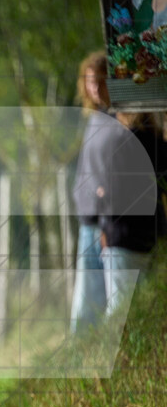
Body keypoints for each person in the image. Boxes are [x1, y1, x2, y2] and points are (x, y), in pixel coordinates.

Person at [99, 111, 167, 316]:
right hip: (153, 237)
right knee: (150, 314)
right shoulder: (159, 146)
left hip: (123, 238)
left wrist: (102, 194)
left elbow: (114, 194)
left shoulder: (118, 142)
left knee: (120, 312)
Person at [70, 51, 113, 334]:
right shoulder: (94, 119)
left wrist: (104, 222)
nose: (94, 88)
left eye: (99, 81)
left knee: (97, 299)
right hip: (88, 220)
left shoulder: (117, 121)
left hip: (103, 222)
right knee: (87, 297)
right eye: (89, 82)